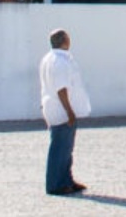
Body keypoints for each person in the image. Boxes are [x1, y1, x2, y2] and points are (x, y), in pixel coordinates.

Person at [39, 29, 91, 196]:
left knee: (66, 148)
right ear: (64, 40)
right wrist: (69, 111)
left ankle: (66, 180)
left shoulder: (50, 59)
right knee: (60, 148)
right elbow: (61, 89)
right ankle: (56, 184)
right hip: (61, 110)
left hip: (56, 109)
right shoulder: (59, 61)